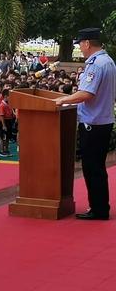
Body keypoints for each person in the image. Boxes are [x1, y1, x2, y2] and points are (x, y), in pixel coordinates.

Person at [55, 28, 116, 220]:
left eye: (80, 44)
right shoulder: (108, 62)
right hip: (103, 121)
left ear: (87, 43)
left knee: (92, 167)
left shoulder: (96, 64)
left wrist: (62, 100)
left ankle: (99, 209)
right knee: (96, 166)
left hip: (93, 123)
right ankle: (99, 207)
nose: (80, 48)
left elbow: (87, 94)